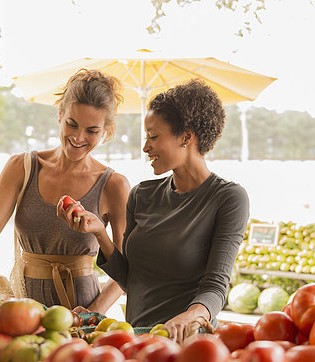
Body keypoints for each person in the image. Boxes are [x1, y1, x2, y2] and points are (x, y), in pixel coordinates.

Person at [59, 80, 250, 342]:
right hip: (136, 340)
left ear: (186, 137)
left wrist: (192, 315)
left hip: (187, 343)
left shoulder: (227, 198)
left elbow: (216, 285)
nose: (146, 147)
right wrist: (99, 233)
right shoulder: (142, 194)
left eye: (153, 137)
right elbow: (131, 279)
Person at [0, 69, 130, 314]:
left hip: (82, 312)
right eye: (72, 124)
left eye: (92, 130)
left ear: (106, 131)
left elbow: (125, 269)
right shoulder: (22, 167)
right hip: (23, 307)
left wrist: (93, 313)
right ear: (60, 115)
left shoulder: (114, 185)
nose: (78, 137)